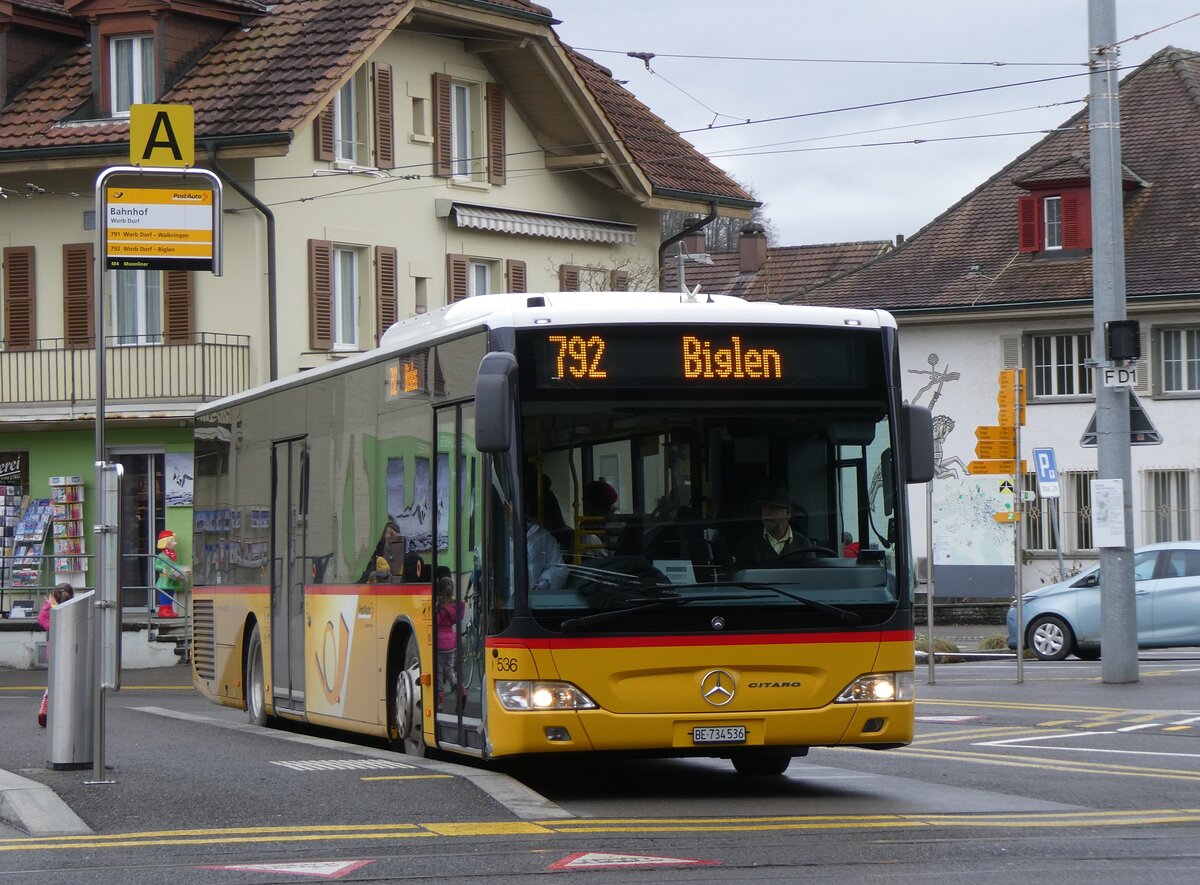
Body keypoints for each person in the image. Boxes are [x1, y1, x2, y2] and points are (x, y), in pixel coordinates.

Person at [731, 485, 814, 569]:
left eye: (774, 508)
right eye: (764, 508)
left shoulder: (803, 543)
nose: (767, 513)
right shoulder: (747, 544)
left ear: (788, 513)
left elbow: (812, 576)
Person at [36, 583, 74, 727]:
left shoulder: (51, 610)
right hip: (71, 652)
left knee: (54, 682)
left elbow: (41, 619)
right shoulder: (73, 609)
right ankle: (67, 713)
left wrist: (48, 604)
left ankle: (45, 707)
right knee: (70, 683)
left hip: (53, 653)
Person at [435, 576, 463, 704]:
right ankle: (460, 689)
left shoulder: (440, 607)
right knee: (450, 669)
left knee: (439, 672)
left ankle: (439, 701)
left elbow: (436, 622)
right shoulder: (454, 606)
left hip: (440, 642)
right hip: (451, 642)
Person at [578, 479, 619, 556]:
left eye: (586, 497)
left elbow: (611, 552)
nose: (582, 499)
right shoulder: (589, 520)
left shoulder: (614, 521)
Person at [154, 529, 189, 618]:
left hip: (173, 578)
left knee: (171, 595)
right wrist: (163, 569)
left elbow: (177, 565)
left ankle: (169, 610)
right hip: (165, 579)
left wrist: (182, 570)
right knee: (165, 595)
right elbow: (156, 566)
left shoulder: (174, 555)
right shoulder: (161, 556)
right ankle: (163, 610)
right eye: (172, 541)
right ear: (165, 542)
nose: (175, 543)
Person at [527, 517, 565, 592]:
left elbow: (558, 567)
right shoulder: (499, 533)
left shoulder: (542, 535)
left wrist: (541, 586)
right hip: (502, 601)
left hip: (536, 599)